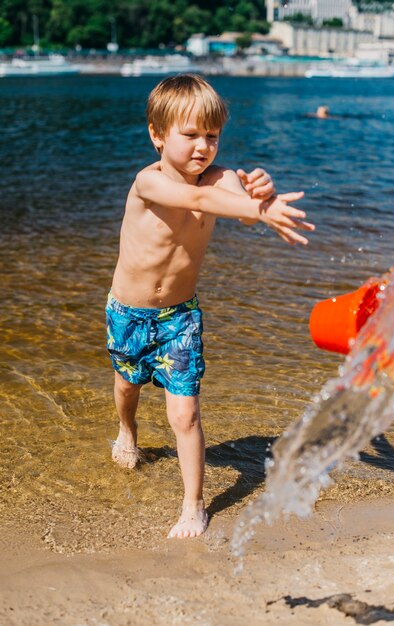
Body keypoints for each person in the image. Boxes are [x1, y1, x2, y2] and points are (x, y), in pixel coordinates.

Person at [105, 74, 315, 540]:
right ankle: (128, 432)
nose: (204, 146)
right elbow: (197, 198)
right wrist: (257, 206)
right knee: (127, 388)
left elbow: (235, 200)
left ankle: (193, 505)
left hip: (179, 318)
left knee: (185, 414)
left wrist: (264, 197)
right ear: (157, 136)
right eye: (191, 134)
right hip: (127, 311)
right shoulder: (148, 182)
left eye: (213, 136)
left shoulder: (222, 179)